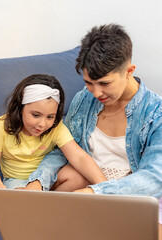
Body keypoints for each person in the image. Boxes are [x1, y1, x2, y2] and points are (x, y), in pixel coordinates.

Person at [25, 24, 162, 222]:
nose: (96, 93)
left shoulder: (156, 113)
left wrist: (96, 192)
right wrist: (38, 181)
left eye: (104, 83)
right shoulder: (83, 99)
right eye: (89, 82)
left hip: (124, 196)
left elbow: (154, 178)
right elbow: (63, 148)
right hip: (84, 191)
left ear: (129, 71)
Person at [0, 74, 107, 189]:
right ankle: (41, 205)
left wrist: (105, 187)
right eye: (36, 115)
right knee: (22, 199)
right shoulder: (2, 125)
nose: (42, 124)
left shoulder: (56, 128)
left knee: (78, 178)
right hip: (17, 181)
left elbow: (79, 157)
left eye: (50, 117)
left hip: (48, 178)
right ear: (20, 108)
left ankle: (49, 205)